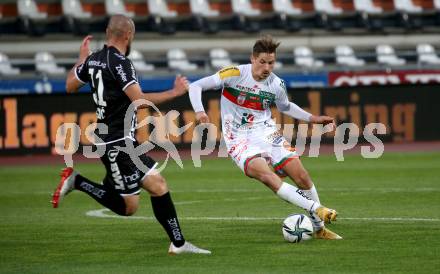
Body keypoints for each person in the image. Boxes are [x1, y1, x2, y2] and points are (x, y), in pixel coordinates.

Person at [51, 14, 211, 255]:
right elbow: (140, 102)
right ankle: (78, 181)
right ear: (128, 35)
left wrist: (81, 59)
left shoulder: (94, 60)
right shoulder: (120, 63)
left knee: (157, 185)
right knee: (129, 207)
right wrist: (175, 92)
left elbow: (70, 85)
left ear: (107, 32)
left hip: (118, 140)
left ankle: (178, 244)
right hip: (117, 143)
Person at [188, 35, 342, 240]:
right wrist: (199, 111)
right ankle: (318, 209)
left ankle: (319, 228)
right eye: (262, 62)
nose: (267, 68)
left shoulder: (276, 84)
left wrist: (312, 118)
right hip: (239, 140)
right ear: (252, 59)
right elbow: (195, 86)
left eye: (271, 63)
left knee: (302, 177)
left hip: (267, 132)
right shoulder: (234, 73)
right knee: (268, 177)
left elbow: (285, 106)